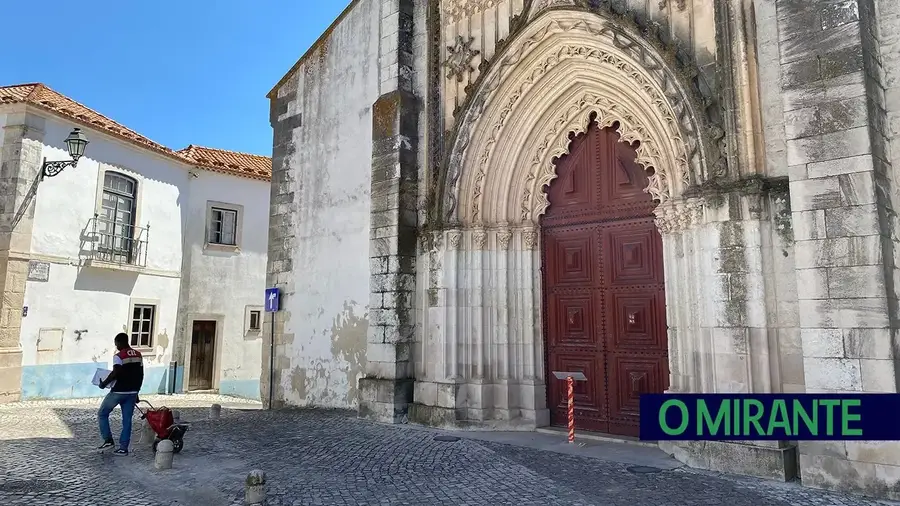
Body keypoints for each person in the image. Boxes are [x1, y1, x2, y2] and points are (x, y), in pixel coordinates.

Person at [97, 332, 144, 455]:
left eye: (116, 343)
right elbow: (141, 375)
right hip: (132, 392)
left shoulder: (119, 356)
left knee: (102, 413)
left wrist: (103, 383)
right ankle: (123, 448)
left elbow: (115, 372)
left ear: (120, 342)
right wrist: (137, 391)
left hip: (119, 391)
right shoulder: (139, 355)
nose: (116, 346)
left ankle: (108, 440)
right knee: (127, 420)